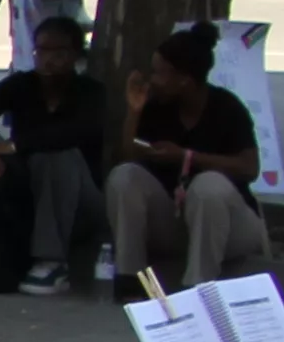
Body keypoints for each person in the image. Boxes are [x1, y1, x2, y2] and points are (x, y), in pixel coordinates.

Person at [106, 20, 274, 286]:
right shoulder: (157, 107)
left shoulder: (226, 108)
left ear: (184, 80)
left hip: (230, 228)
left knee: (208, 185)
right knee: (124, 176)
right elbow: (129, 156)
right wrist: (134, 112)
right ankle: (131, 278)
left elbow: (249, 168)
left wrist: (186, 156)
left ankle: (197, 287)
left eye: (159, 73)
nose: (152, 80)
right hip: (176, 221)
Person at [0, 10, 116, 295]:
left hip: (82, 201)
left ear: (75, 55)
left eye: (59, 52)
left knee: (57, 157)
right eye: (43, 50)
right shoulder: (22, 84)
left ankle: (52, 261)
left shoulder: (91, 92)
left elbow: (72, 134)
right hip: (31, 194)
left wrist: (13, 146)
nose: (50, 59)